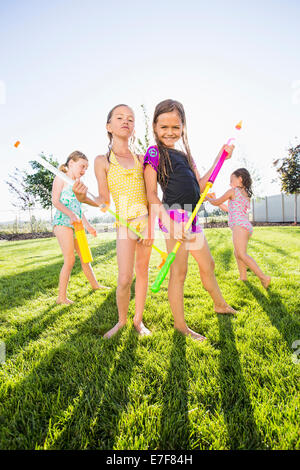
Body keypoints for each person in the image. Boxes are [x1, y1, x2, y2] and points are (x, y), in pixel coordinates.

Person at [144, 99, 237, 342]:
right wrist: (170, 222)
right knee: (179, 272)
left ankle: (219, 304)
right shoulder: (154, 153)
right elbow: (151, 194)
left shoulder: (186, 155)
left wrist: (221, 157)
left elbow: (202, 183)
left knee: (208, 265)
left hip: (192, 217)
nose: (170, 132)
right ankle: (180, 326)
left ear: (183, 127)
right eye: (164, 127)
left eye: (176, 127)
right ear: (155, 127)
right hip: (173, 217)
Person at [73, 104, 153, 338]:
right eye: (119, 117)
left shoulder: (142, 158)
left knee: (142, 273)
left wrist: (149, 224)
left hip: (145, 221)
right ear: (109, 126)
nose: (126, 121)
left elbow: (151, 194)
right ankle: (121, 321)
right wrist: (82, 198)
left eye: (130, 118)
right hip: (124, 225)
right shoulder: (102, 160)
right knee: (124, 277)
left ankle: (138, 321)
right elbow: (104, 201)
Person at [52, 151, 104, 304]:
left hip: (77, 224)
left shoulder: (77, 185)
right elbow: (55, 201)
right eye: (82, 166)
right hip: (63, 223)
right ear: (71, 163)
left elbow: (79, 209)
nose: (84, 170)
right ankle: (61, 298)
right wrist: (70, 215)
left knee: (85, 258)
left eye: (86, 168)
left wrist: (88, 226)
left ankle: (95, 285)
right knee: (69, 260)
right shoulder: (60, 178)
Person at [206, 168, 271, 288]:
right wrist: (214, 200)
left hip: (239, 226)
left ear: (240, 179)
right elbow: (227, 208)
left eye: (231, 180)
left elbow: (216, 202)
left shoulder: (233, 191)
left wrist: (208, 198)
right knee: (238, 253)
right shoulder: (245, 194)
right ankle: (243, 278)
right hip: (245, 227)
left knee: (241, 254)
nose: (229, 183)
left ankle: (264, 277)